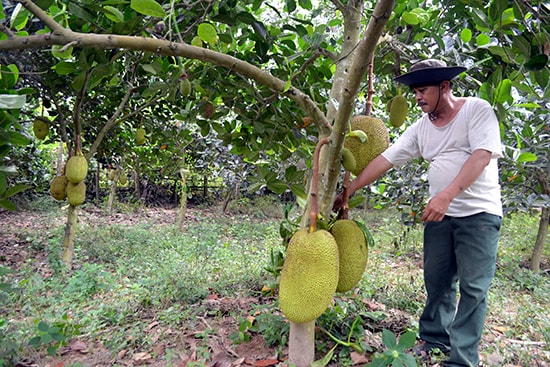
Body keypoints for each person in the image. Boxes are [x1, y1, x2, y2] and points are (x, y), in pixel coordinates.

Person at [333, 59, 502, 367]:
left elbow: (482, 156)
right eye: (414, 92)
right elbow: (386, 159)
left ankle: (462, 359)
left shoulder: (477, 110)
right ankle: (435, 337)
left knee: (473, 287)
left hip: (479, 214)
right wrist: (349, 190)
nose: (417, 97)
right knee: (437, 280)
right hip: (440, 216)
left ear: (445, 86)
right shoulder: (421, 128)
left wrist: (446, 196)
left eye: (423, 90)